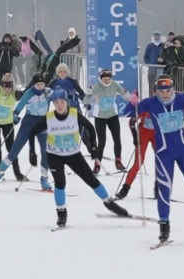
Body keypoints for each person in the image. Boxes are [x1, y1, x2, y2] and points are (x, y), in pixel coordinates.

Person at [132, 76, 184, 245]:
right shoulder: (150, 103)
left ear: (173, 89)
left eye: (168, 91)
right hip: (163, 153)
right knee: (164, 190)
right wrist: (132, 103)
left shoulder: (181, 98)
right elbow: (129, 113)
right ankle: (164, 226)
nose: (165, 94)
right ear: (156, 91)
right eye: (161, 91)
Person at [44, 89, 131, 228]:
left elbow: (90, 128)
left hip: (73, 154)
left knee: (90, 179)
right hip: (54, 155)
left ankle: (110, 203)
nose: (59, 105)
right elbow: (33, 132)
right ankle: (61, 213)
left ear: (66, 102)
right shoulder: (49, 117)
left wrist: (93, 146)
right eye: (56, 103)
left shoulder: (74, 114)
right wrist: (32, 151)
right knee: (60, 183)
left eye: (62, 102)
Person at [0, 74, 53, 191]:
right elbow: (19, 106)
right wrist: (15, 115)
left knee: (45, 151)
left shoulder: (49, 92)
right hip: (28, 123)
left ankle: (44, 178)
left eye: (42, 84)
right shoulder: (29, 92)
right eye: (37, 84)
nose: (40, 87)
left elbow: (61, 100)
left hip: (42, 124)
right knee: (14, 150)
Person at [0, 72, 27, 182]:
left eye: (9, 86)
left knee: (11, 148)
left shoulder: (15, 94)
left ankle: (17, 172)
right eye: (4, 85)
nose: (6, 89)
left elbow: (25, 97)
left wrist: (16, 117)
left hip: (7, 123)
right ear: (1, 84)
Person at [89, 69, 128, 172]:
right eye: (104, 79)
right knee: (102, 141)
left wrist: (130, 97)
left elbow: (125, 95)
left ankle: (118, 161)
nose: (106, 81)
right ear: (101, 79)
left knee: (117, 139)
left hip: (112, 115)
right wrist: (88, 94)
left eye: (108, 79)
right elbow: (86, 100)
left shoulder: (114, 85)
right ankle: (97, 163)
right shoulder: (97, 87)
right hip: (100, 116)